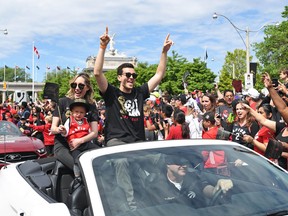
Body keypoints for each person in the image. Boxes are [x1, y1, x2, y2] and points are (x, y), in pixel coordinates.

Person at [93, 26, 173, 210]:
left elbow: (159, 74)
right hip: (117, 142)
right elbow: (97, 73)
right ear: (119, 76)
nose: (131, 77)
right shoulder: (111, 93)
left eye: (133, 75)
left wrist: (163, 52)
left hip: (138, 143)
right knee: (121, 161)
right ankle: (131, 205)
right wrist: (102, 47)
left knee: (161, 158)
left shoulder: (139, 92)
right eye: (127, 75)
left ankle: (162, 193)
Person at [51, 72, 99, 172]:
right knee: (79, 167)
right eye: (74, 85)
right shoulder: (62, 102)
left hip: (84, 144)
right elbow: (53, 128)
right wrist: (59, 129)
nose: (77, 88)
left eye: (81, 86)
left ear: (88, 88)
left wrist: (80, 141)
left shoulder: (91, 105)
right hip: (63, 145)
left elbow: (95, 133)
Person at [146, 155, 233, 208]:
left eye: (186, 163)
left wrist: (218, 187)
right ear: (168, 164)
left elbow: (206, 188)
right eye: (179, 162)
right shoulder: (156, 185)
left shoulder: (193, 178)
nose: (184, 166)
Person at [59, 99, 98, 177]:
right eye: (76, 112)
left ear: (85, 113)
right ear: (72, 112)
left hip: (86, 143)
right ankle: (77, 174)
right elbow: (65, 133)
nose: (78, 114)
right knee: (77, 159)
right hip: (75, 147)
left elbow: (89, 132)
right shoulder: (69, 120)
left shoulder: (86, 121)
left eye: (81, 112)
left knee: (97, 151)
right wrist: (63, 131)